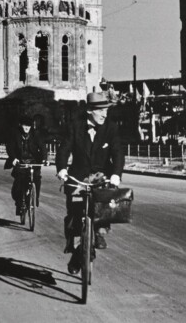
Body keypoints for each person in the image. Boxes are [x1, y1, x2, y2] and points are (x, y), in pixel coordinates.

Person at [56, 91, 125, 275]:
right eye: (100, 110)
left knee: (104, 209)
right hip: (79, 177)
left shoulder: (111, 128)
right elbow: (64, 150)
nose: (104, 114)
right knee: (74, 217)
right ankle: (75, 247)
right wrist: (62, 169)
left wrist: (117, 174)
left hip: (102, 177)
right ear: (89, 111)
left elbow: (118, 153)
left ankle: (100, 231)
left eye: (106, 110)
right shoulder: (75, 127)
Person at [5, 115, 47, 216]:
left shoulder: (36, 135)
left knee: (37, 178)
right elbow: (10, 147)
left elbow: (42, 147)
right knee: (19, 183)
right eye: (25, 126)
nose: (27, 128)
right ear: (21, 125)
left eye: (29, 126)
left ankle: (35, 197)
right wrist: (13, 158)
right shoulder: (15, 134)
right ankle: (19, 202)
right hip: (20, 162)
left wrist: (45, 159)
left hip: (33, 162)